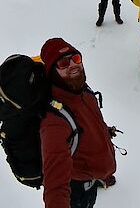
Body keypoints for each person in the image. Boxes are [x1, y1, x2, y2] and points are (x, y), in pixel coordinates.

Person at [40, 37, 117, 208]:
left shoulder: (83, 91)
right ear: (53, 72)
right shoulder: (54, 121)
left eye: (75, 59)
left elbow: (92, 127)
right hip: (78, 192)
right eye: (63, 63)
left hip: (92, 177)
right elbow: (55, 186)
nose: (73, 65)